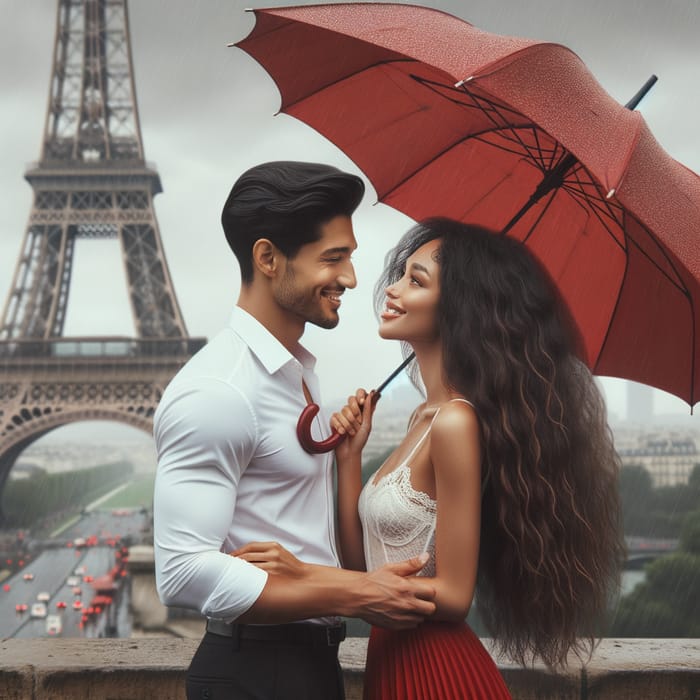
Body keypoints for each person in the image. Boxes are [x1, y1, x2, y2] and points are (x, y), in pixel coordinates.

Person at [238, 218, 625, 699]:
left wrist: (306, 575)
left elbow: (455, 596)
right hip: (395, 661)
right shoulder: (424, 416)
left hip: (437, 672)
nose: (392, 291)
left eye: (415, 281)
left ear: (458, 308)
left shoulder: (454, 423)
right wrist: (349, 460)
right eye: (401, 275)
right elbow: (368, 570)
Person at [152, 161, 436, 700]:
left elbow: (306, 536)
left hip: (302, 665)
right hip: (257, 671)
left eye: (349, 256)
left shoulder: (295, 376)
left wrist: (346, 458)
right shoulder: (220, 391)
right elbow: (183, 573)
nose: (352, 278)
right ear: (267, 258)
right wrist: (357, 593)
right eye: (334, 258)